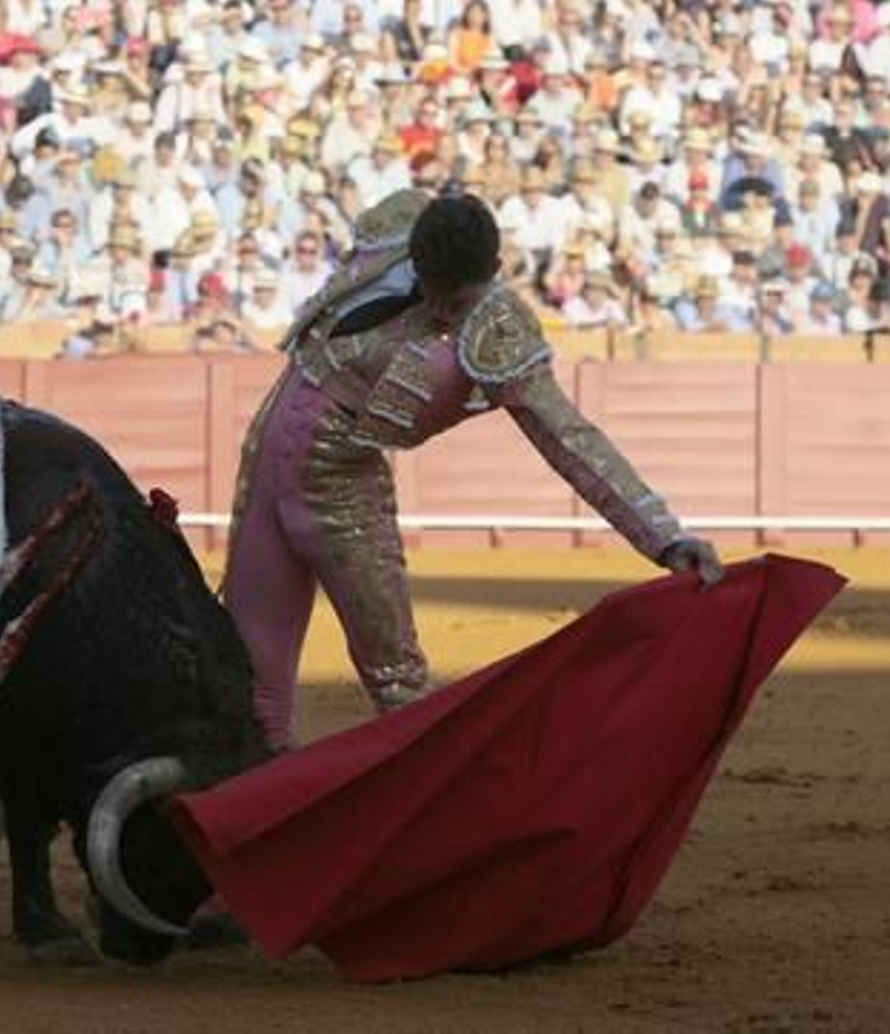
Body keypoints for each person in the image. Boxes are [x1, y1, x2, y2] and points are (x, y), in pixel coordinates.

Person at [223, 192, 723, 750]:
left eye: (454, 300)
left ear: (493, 274)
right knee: (250, 684)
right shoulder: (393, 235)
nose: (437, 308)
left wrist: (664, 537)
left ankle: (429, 824)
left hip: (341, 491)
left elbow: (570, 439)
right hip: (265, 458)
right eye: (430, 286)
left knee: (397, 682)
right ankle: (247, 824)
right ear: (415, 256)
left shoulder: (498, 329)